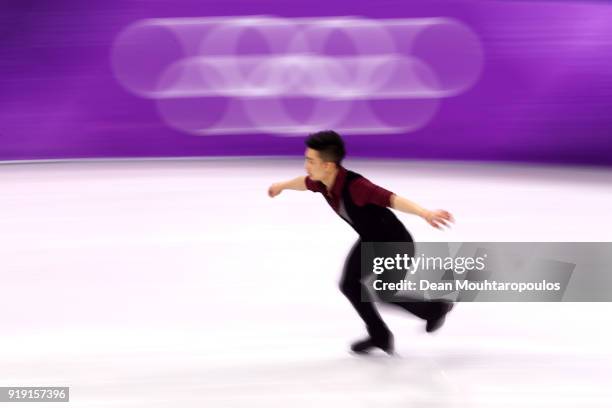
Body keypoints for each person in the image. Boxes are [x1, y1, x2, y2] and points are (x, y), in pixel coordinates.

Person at [267, 130, 454, 355]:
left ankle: (435, 309)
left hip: (395, 244)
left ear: (328, 165)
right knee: (350, 285)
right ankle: (380, 335)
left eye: (310, 161)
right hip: (370, 241)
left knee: (385, 292)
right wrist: (281, 186)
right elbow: (304, 182)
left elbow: (392, 199)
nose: (306, 166)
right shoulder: (322, 182)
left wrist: (426, 213)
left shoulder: (356, 186)